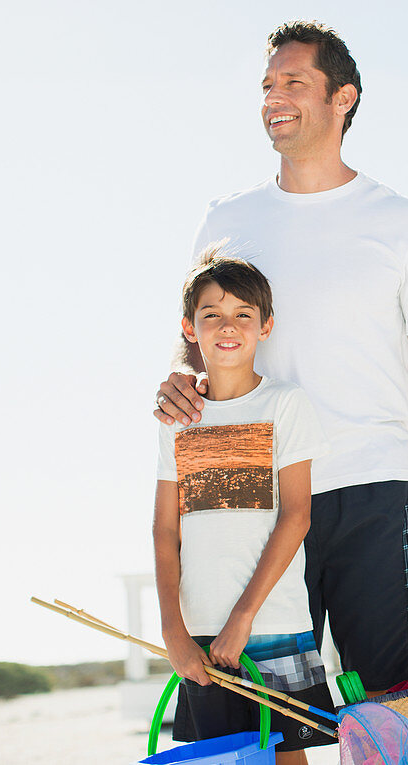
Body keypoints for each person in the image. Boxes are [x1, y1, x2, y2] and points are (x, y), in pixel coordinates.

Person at [154, 20, 408, 694]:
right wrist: (177, 379)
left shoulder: (402, 223)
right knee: (264, 712)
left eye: (294, 83)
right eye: (268, 84)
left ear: (343, 98)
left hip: (376, 482)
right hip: (242, 484)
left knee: (402, 707)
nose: (274, 97)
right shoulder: (226, 218)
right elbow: (193, 338)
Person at [154, 248, 335, 763]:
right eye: (211, 314)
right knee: (223, 758)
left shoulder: (284, 404)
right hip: (201, 632)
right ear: (190, 328)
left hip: (273, 622)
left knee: (285, 756)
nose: (226, 326)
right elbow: (165, 531)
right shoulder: (178, 417)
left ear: (266, 326)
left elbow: (296, 516)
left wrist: (243, 617)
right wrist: (173, 631)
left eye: (242, 315)